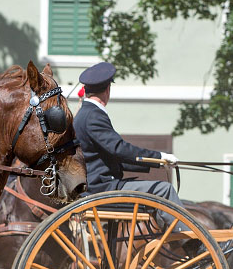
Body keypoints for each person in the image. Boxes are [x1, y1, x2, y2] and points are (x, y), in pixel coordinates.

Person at [74, 61, 191, 235]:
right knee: (164, 190)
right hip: (103, 189)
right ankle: (190, 242)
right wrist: (159, 157)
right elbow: (119, 149)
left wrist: (158, 163)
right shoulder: (93, 116)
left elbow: (112, 157)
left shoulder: (85, 114)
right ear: (107, 90)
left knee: (160, 189)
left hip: (97, 186)